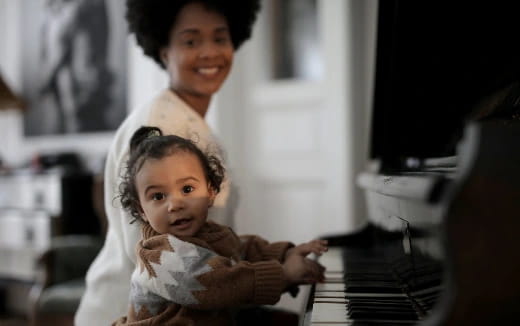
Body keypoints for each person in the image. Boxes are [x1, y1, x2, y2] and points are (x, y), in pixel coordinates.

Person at [75, 1, 262, 324]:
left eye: (220, 38)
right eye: (191, 41)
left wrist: (277, 254)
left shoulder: (192, 123)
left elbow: (211, 236)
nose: (209, 52)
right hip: (133, 314)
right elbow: (167, 264)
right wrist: (276, 275)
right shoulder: (163, 130)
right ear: (164, 51)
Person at [112, 126, 327, 325]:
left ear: (211, 192)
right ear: (141, 210)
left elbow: (241, 248)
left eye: (187, 189)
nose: (175, 204)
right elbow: (213, 283)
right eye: (158, 196)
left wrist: (285, 254)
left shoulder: (212, 234)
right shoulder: (159, 256)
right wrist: (283, 274)